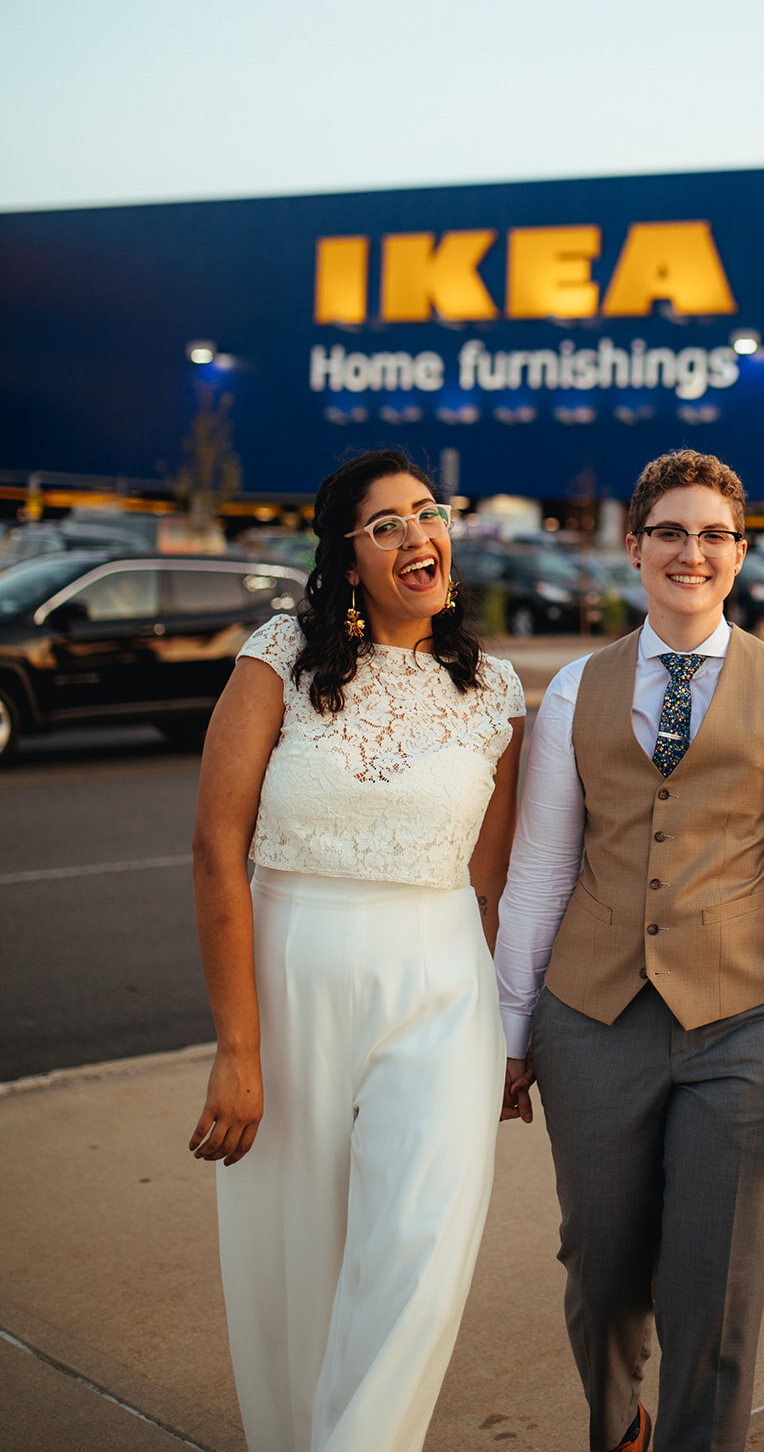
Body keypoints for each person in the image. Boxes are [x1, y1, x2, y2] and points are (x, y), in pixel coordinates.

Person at [496, 449, 764, 1452]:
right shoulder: (575, 688)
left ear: (739, 555)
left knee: (716, 1282)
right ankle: (616, 1429)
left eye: (711, 534)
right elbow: (539, 866)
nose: (688, 551)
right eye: (668, 530)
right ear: (633, 546)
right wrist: (512, 1027)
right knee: (598, 1265)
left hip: (744, 1025)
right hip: (591, 1017)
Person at [188, 448, 525, 1452]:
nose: (419, 535)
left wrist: (516, 1031)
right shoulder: (279, 654)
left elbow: (495, 884)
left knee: (413, 1263)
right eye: (387, 524)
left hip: (444, 990)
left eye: (429, 513)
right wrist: (236, 1048)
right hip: (294, 985)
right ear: (345, 556)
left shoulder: (495, 690)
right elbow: (214, 843)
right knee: (297, 1265)